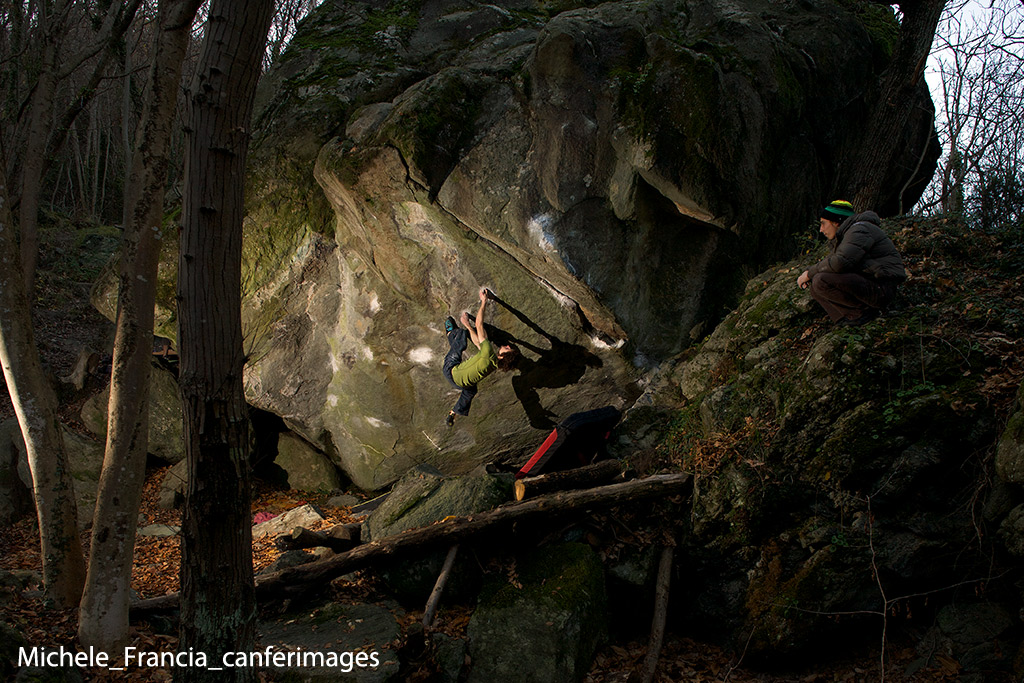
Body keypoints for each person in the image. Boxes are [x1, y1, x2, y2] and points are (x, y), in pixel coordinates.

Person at [796, 200, 907, 326]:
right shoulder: (846, 235)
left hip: (882, 289)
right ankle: (846, 319)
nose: (821, 230)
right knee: (816, 285)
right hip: (872, 285)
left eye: (823, 223)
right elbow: (831, 263)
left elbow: (840, 263)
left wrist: (809, 273)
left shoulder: (860, 230)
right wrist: (809, 273)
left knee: (821, 280)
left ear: (836, 222)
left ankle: (863, 313)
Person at [442, 287, 520, 426]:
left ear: (503, 356)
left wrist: (484, 301)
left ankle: (450, 332)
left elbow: (479, 325)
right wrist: (468, 325)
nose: (507, 346)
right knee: (471, 390)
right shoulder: (493, 365)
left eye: (508, 349)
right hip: (460, 384)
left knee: (461, 338)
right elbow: (478, 344)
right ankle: (454, 412)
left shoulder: (488, 352)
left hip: (450, 370)